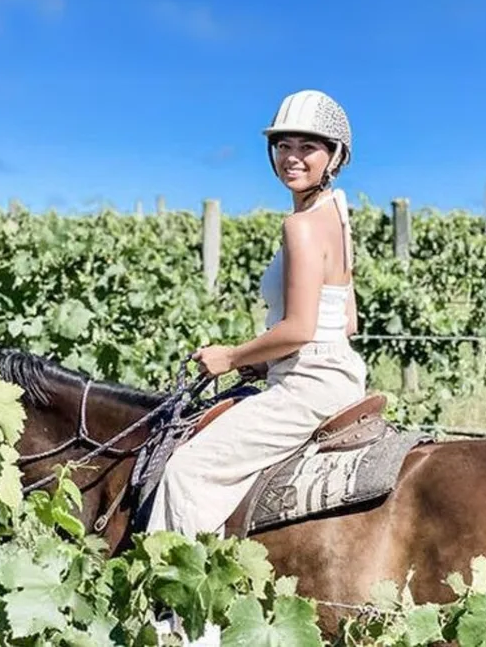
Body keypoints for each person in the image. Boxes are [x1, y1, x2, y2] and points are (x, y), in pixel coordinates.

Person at [145, 88, 368, 539]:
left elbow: (301, 328)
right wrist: (267, 360)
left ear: (335, 156)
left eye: (308, 147)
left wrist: (231, 357)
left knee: (187, 470)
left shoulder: (300, 225)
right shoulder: (338, 217)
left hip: (307, 386)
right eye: (283, 145)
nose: (292, 157)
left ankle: (178, 608)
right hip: (337, 374)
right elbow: (346, 321)